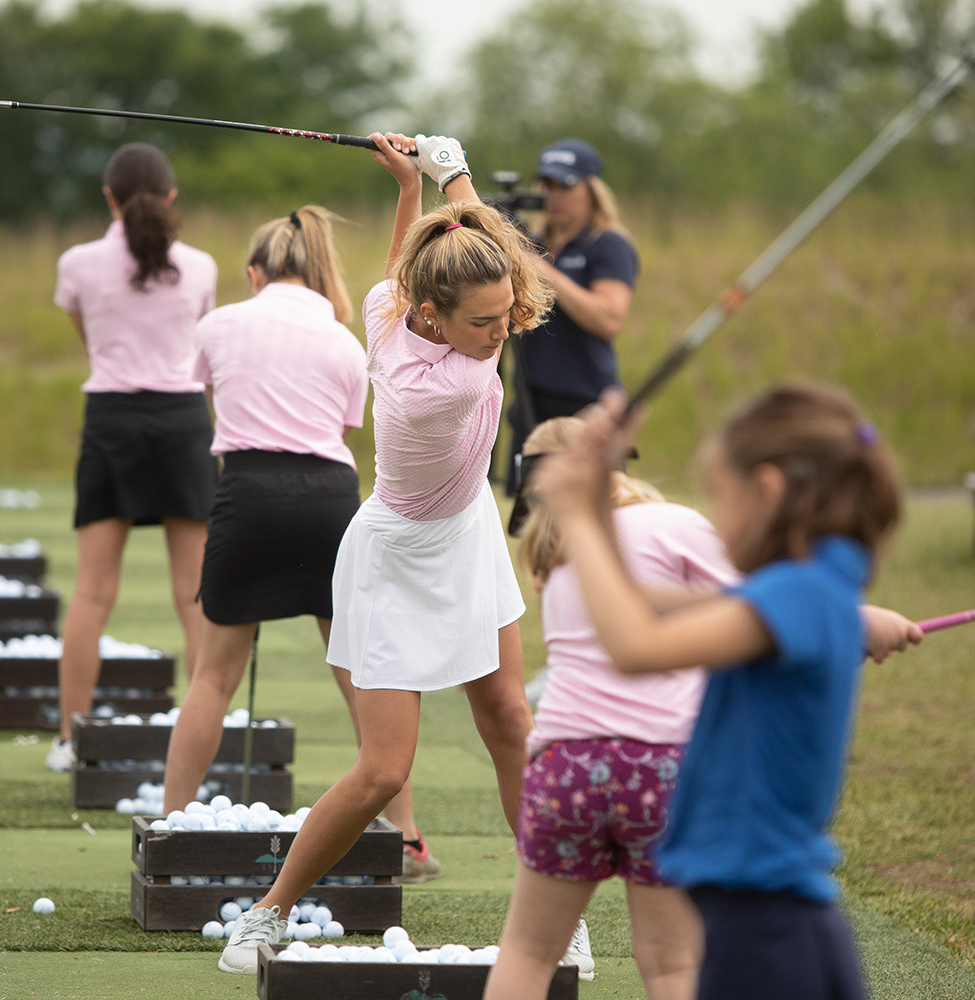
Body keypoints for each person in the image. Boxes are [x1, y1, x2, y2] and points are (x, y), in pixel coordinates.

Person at [215, 131, 554, 975]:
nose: (501, 328)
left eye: (505, 313)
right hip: (396, 555)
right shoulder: (445, 383)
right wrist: (453, 173)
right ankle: (266, 914)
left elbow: (414, 268)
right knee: (381, 769)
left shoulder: (387, 305)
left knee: (511, 722)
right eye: (485, 321)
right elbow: (490, 243)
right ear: (434, 319)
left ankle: (553, 913)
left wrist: (411, 185)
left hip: (467, 529)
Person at [533, 382, 923, 1000]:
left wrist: (577, 513)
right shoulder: (813, 588)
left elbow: (635, 645)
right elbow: (644, 601)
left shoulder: (795, 594)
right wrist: (602, 482)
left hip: (761, 925)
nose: (714, 517)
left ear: (767, 493)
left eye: (720, 497)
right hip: (781, 916)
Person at [160, 206, 435, 880]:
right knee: (361, 676)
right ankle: (406, 838)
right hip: (328, 501)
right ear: (317, 271)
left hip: (246, 493)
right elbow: (342, 429)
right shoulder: (345, 338)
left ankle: (170, 832)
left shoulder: (218, 323)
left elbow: (203, 392)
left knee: (212, 676)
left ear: (255, 273)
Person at [485, 416, 738, 998]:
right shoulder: (675, 523)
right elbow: (755, 607)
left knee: (527, 953)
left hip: (562, 770)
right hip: (663, 769)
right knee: (674, 965)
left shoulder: (553, 550)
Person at [46, 142, 217, 772]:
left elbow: (88, 336)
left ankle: (69, 739)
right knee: (194, 594)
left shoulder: (77, 262)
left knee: (92, 592)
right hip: (180, 422)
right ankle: (206, 737)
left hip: (112, 419)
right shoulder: (199, 265)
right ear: (171, 198)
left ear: (109, 197)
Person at [506, 138, 639, 497]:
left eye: (565, 185)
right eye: (547, 185)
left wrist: (543, 271)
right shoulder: (533, 245)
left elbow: (608, 318)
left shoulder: (607, 245)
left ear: (592, 190)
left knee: (590, 510)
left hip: (585, 401)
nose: (555, 196)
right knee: (529, 515)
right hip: (532, 399)